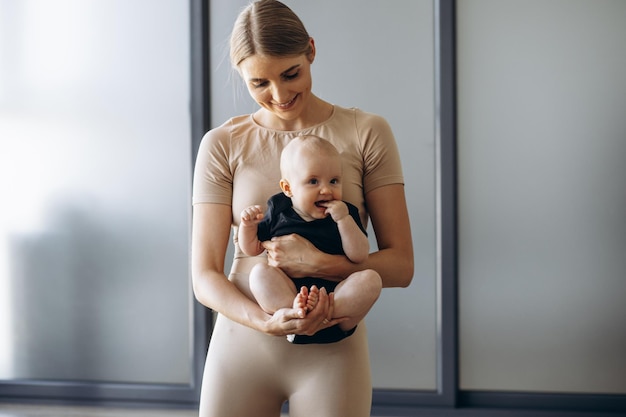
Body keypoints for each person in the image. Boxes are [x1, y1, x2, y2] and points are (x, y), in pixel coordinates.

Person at [191, 1, 413, 416]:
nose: (280, 95)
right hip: (243, 346)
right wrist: (266, 322)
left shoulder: (367, 133)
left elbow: (401, 266)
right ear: (241, 74)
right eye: (259, 83)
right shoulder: (221, 144)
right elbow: (204, 277)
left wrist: (321, 262)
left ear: (311, 50)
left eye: (291, 73)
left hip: (334, 350)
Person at [238, 135, 382, 344]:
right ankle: (296, 312)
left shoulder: (345, 213)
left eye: (334, 181)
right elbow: (252, 248)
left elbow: (359, 256)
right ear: (288, 188)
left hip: (336, 304)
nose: (326, 190)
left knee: (371, 279)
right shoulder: (278, 209)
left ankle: (322, 313)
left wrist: (343, 219)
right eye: (313, 181)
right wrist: (248, 226)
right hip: (289, 300)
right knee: (259, 273)